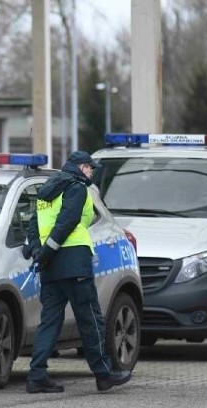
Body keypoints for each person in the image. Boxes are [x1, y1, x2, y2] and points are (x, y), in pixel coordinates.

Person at [23, 150, 133, 394]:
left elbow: (33, 225)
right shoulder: (76, 188)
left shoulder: (45, 191)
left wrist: (39, 253)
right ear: (81, 167)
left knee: (50, 320)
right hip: (74, 262)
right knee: (90, 318)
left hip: (51, 268)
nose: (92, 172)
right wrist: (47, 252)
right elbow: (68, 221)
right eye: (90, 167)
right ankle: (104, 374)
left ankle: (37, 375)